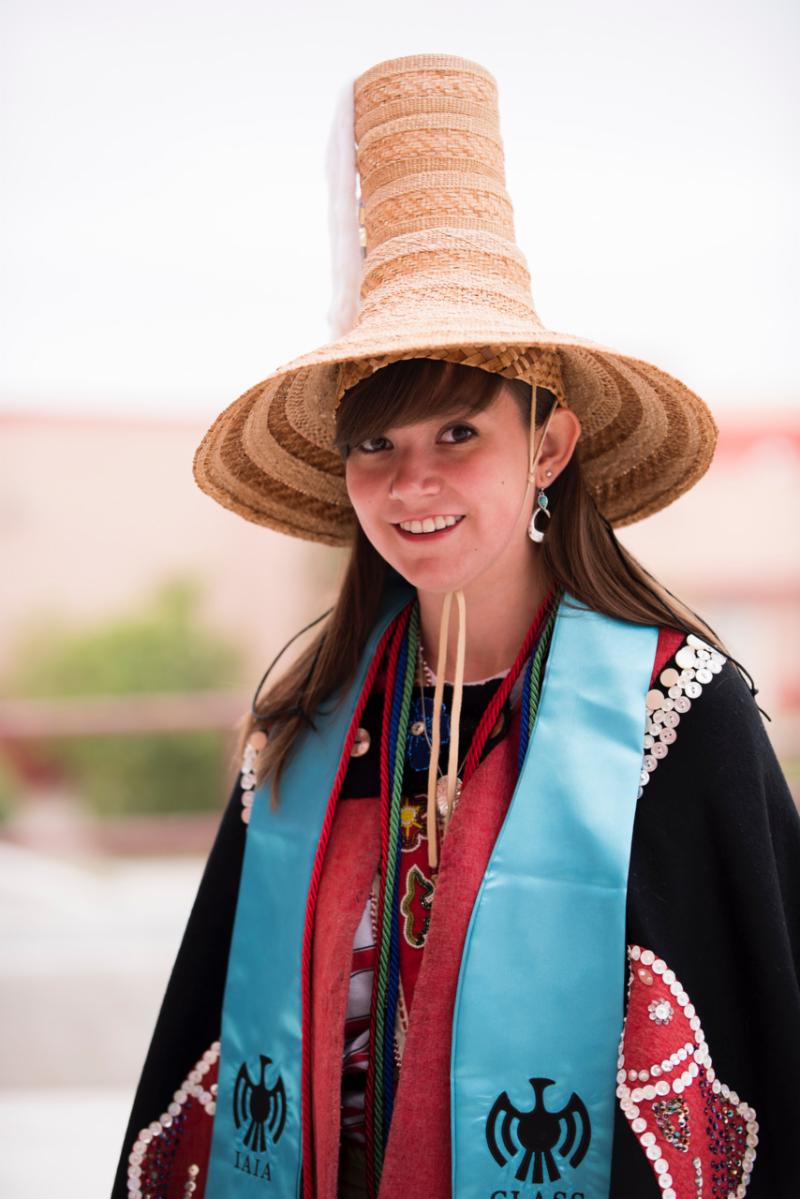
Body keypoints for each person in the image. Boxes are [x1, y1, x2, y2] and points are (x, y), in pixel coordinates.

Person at [112, 54, 799, 1199]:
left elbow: (754, 1056)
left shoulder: (672, 716)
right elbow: (211, 1063)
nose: (409, 482)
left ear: (547, 444)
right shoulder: (307, 730)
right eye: (373, 443)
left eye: (456, 433)